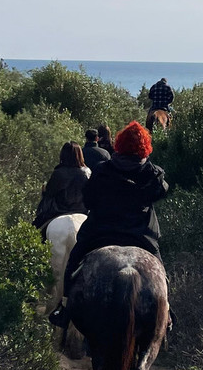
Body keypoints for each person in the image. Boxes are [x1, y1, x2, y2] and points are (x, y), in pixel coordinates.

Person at [49, 121, 169, 327]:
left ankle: (65, 307)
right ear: (145, 147)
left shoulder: (103, 170)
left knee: (74, 259)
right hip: (141, 235)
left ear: (119, 144)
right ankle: (167, 314)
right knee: (161, 274)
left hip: (101, 232)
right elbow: (161, 192)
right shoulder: (154, 173)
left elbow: (89, 200)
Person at [32, 142, 90, 236]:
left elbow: (49, 193)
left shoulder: (59, 173)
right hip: (82, 210)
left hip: (60, 210)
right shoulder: (87, 172)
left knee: (34, 231)